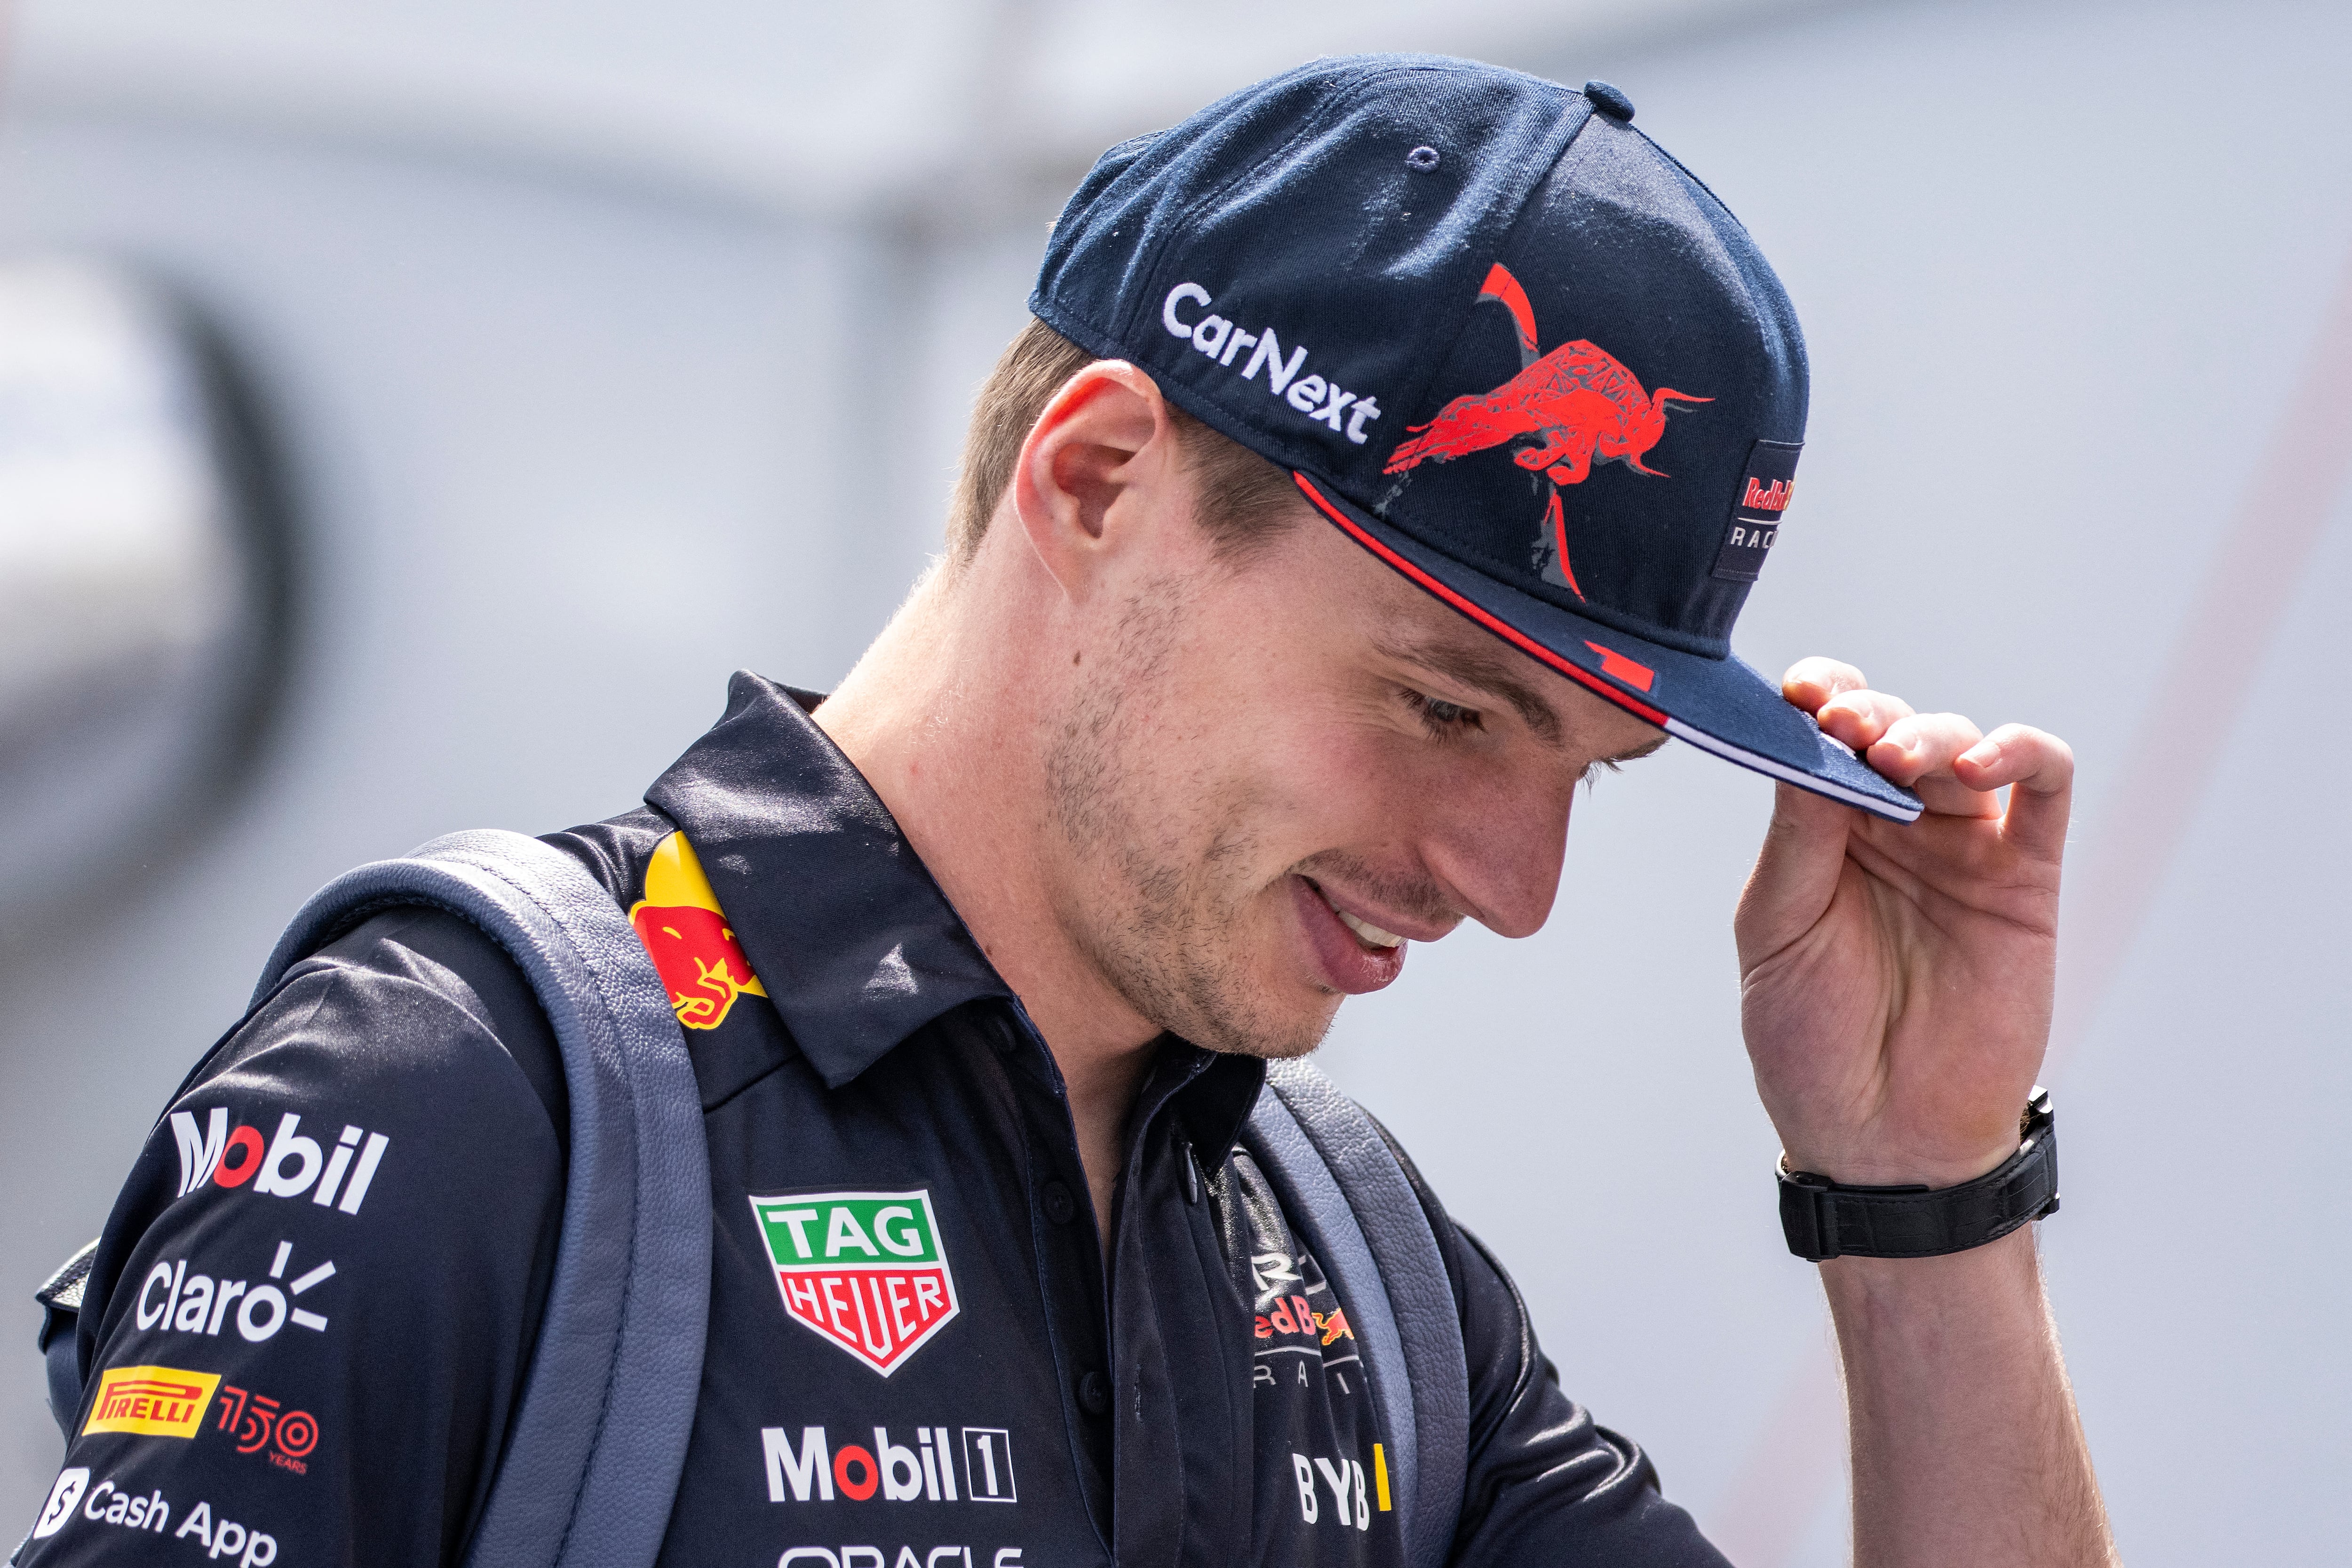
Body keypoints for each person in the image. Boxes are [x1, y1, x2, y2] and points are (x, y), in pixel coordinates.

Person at [21, 56, 2116, 1568]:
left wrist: (1917, 1198)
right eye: (1443, 708)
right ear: (1096, 479)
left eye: (1582, 772)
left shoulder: (1365, 1285)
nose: (1512, 886)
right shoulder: (476, 1094)